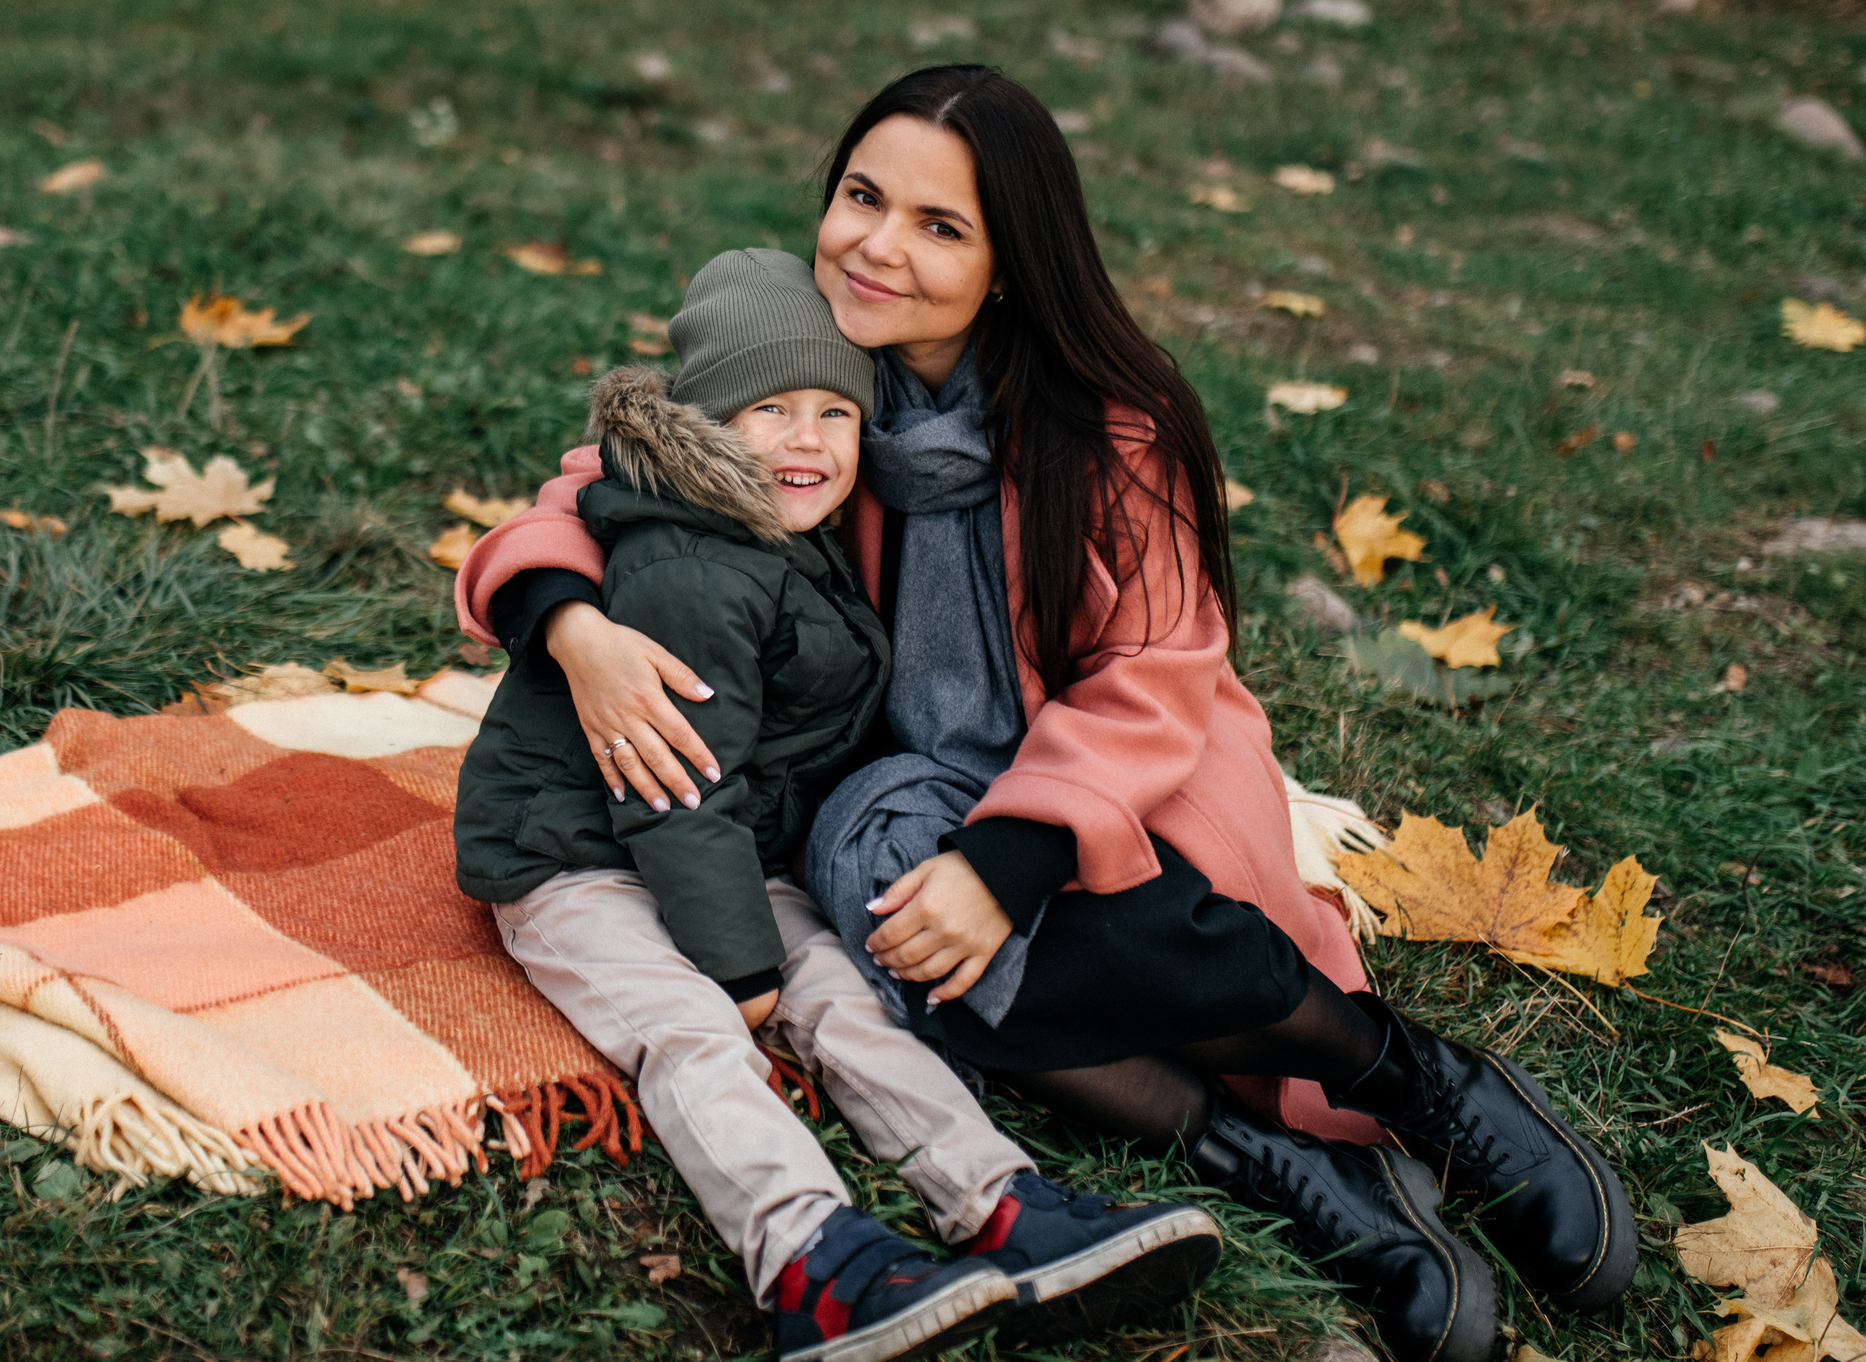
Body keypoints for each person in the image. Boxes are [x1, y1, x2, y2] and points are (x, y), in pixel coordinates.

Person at [455, 70, 1638, 1362]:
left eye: (938, 225)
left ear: (1010, 263)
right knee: (898, 923)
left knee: (1055, 919)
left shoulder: (1109, 423)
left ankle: (1406, 1074)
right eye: (862, 197)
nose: (877, 245)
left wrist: (1005, 860)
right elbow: (606, 488)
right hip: (909, 787)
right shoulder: (817, 376)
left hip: (1112, 782)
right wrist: (573, 627)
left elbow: (1156, 675)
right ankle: (1281, 1165)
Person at [456, 249, 1223, 1362]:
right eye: (769, 410)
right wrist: (740, 966)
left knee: (850, 1000)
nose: (806, 439)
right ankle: (814, 1259)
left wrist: (771, 938)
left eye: (834, 412)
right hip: (574, 850)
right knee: (693, 1029)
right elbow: (675, 788)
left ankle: (1004, 1202)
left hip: (727, 841)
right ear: (706, 426)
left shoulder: (784, 530)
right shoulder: (694, 568)